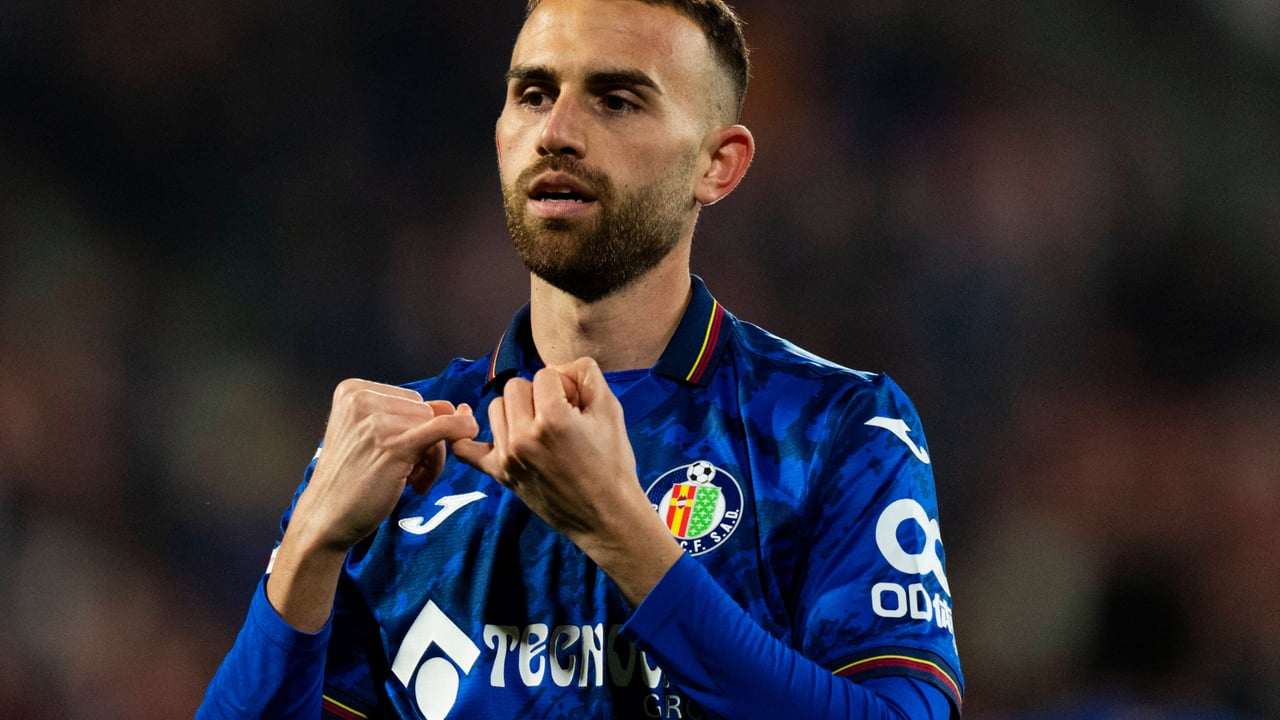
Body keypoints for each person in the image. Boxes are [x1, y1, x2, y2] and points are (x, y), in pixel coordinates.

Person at [197, 0, 963, 718]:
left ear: (718, 164)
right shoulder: (400, 455)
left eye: (617, 101)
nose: (556, 131)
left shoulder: (835, 429)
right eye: (533, 95)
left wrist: (626, 537)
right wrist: (307, 551)